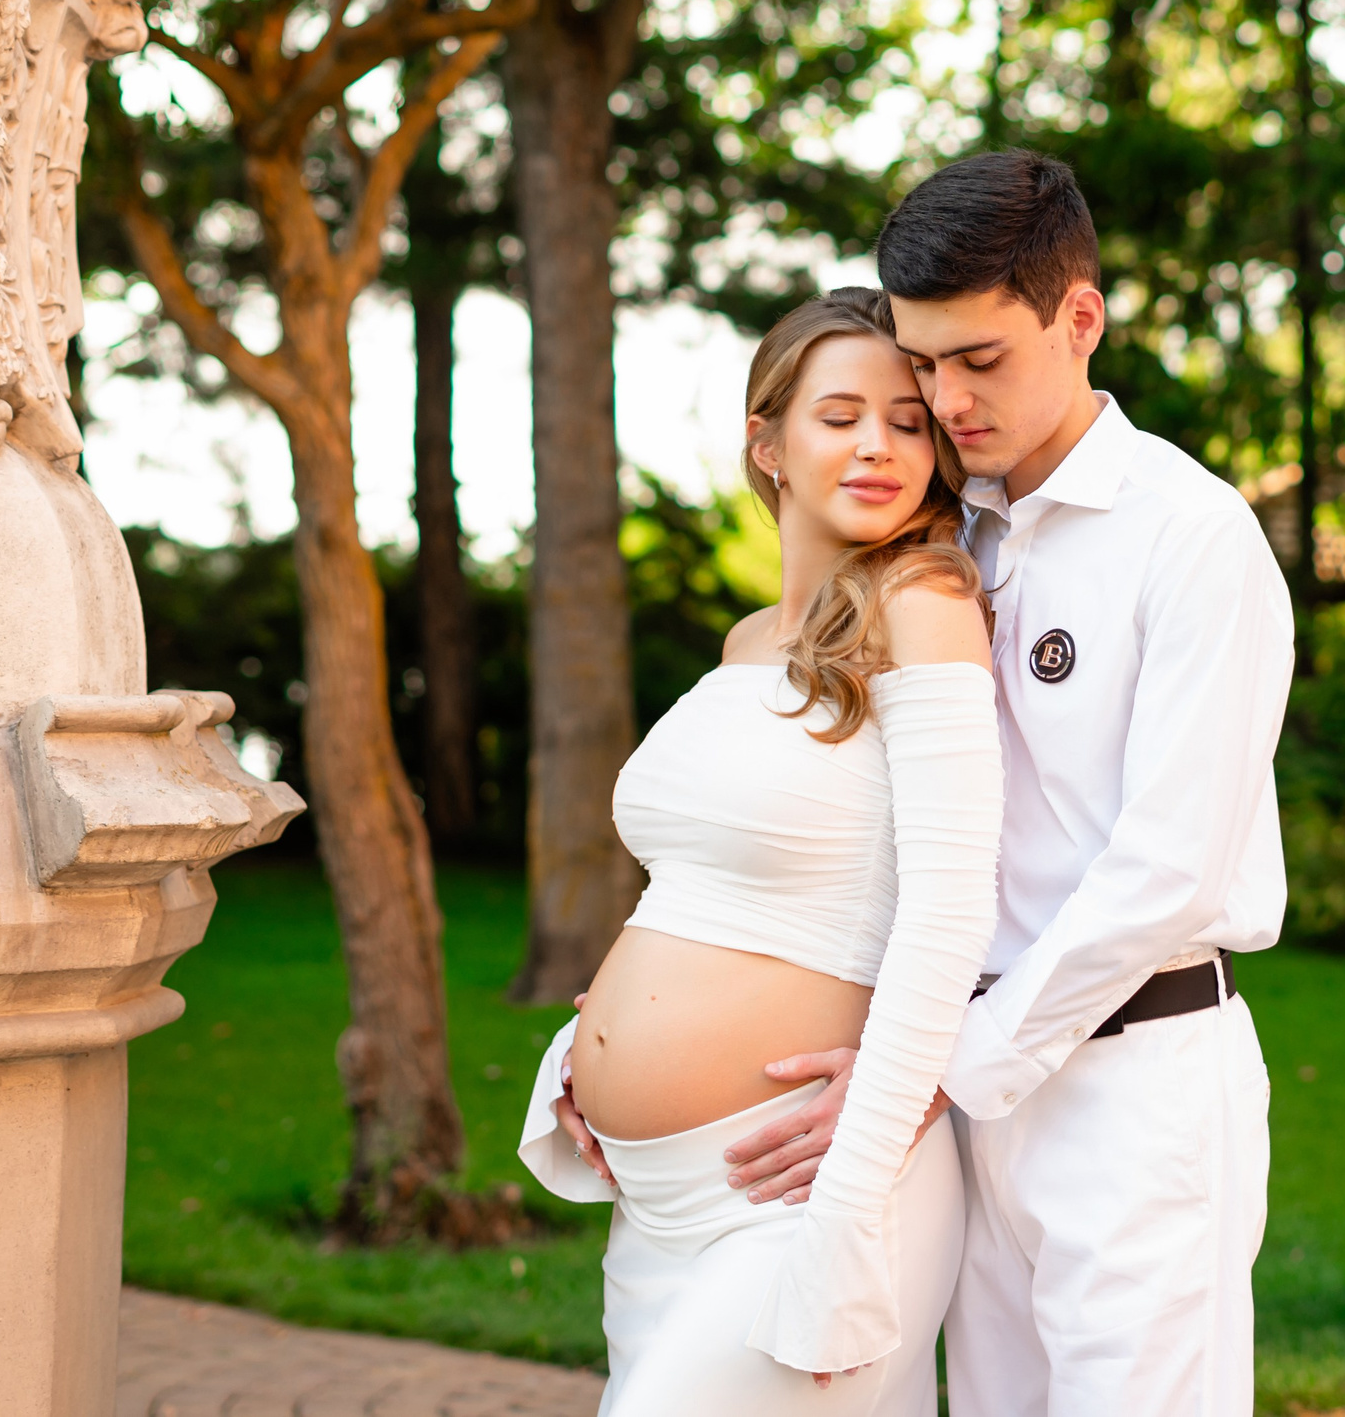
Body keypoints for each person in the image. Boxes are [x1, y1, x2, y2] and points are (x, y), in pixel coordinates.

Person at [721, 149, 1296, 1416]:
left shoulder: (1191, 538)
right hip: (962, 1095)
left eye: (979, 361)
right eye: (925, 365)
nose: (947, 400)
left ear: (1079, 317)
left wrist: (942, 1063)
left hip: (1135, 1091)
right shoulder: (941, 528)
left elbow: (1167, 868)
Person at [517, 289, 1002, 1415]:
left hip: (805, 1195)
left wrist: (850, 1201)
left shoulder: (924, 604)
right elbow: (700, 896)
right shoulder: (749, 645)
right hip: (659, 1207)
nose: (879, 445)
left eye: (908, 420)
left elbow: (946, 910)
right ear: (767, 442)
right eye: (841, 415)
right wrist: (585, 1054)